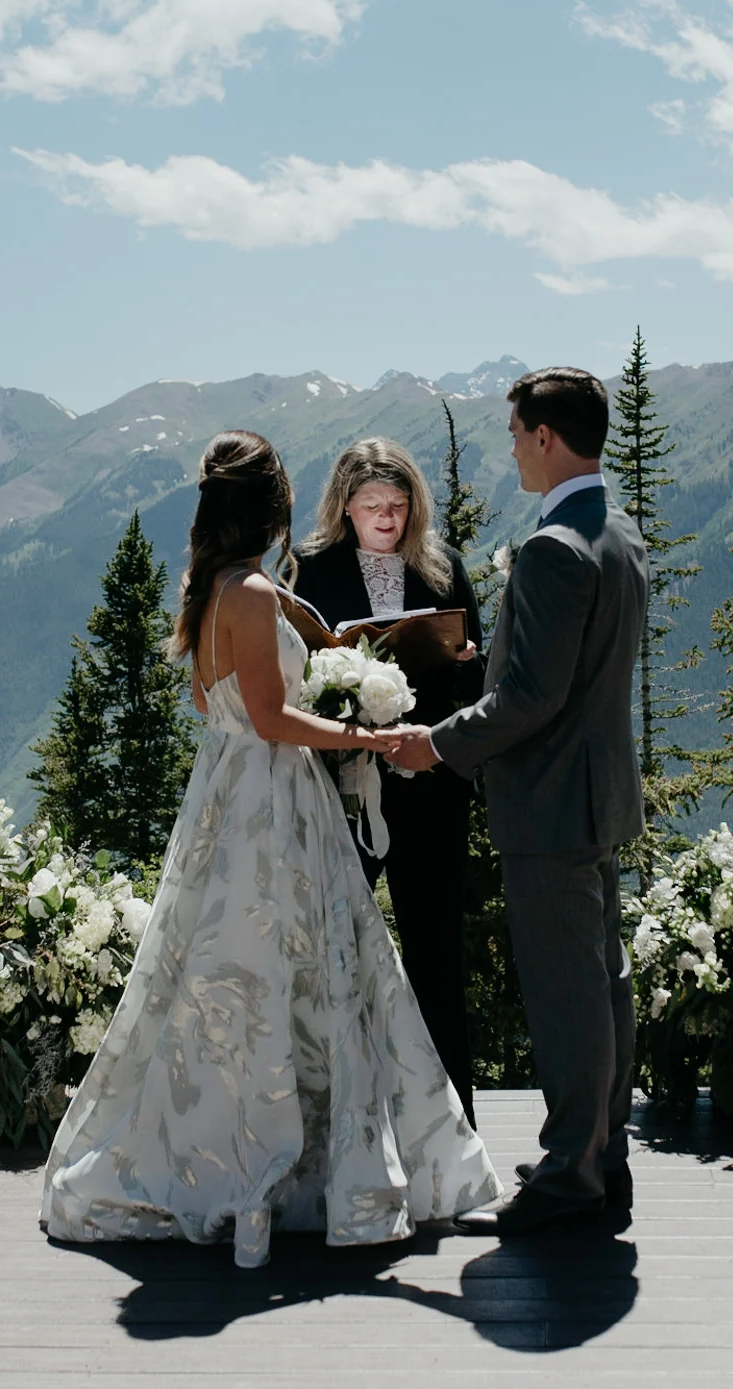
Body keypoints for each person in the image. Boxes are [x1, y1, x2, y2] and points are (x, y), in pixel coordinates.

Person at [40, 430, 499, 1270]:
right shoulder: (251, 592)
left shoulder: (219, 589)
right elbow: (274, 717)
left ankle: (233, 1136)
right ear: (274, 507)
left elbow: (219, 699)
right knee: (302, 968)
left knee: (231, 972)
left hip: (230, 792)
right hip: (273, 793)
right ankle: (283, 1155)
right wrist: (368, 728)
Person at [387, 368, 646, 1237]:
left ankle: (571, 1173)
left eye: (515, 432)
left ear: (544, 437)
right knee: (603, 984)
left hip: (548, 803)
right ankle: (599, 1157)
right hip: (600, 791)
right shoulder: (618, 533)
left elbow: (531, 696)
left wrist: (439, 742)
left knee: (569, 992)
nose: (509, 448)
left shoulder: (550, 549)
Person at [290, 438, 486, 1125]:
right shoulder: (308, 570)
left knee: (437, 957)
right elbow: (292, 675)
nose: (387, 516)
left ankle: (452, 1123)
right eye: (373, 503)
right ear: (345, 504)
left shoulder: (442, 568)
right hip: (344, 790)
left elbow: (477, 682)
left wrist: (459, 660)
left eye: (399, 504)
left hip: (429, 786)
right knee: (335, 953)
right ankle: (339, 1121)